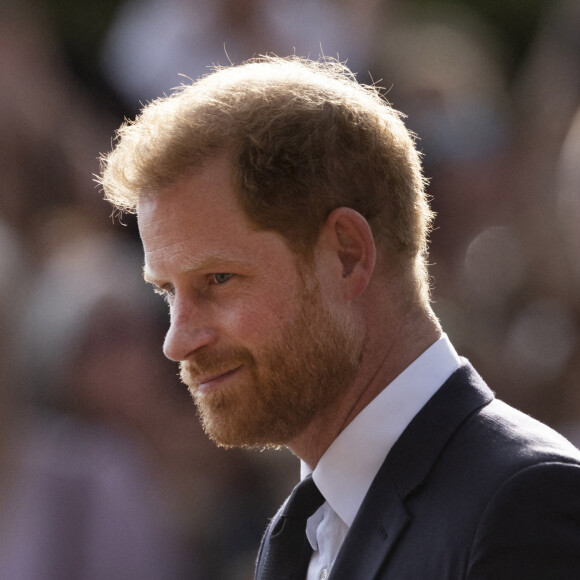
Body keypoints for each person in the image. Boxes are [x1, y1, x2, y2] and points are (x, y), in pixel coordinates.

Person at [99, 56, 580, 579]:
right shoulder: (303, 534)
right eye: (168, 291)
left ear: (346, 255)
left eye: (218, 280)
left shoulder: (523, 503)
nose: (177, 340)